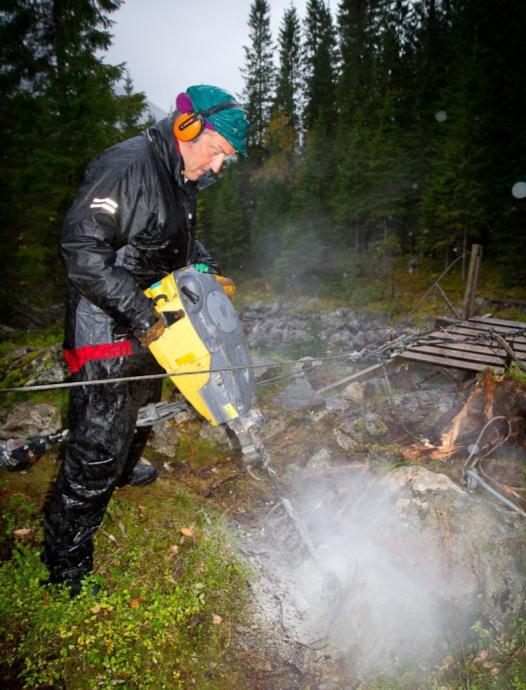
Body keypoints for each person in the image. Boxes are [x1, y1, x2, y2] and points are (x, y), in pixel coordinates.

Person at [42, 84, 250, 595]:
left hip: (147, 320)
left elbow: (171, 236)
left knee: (140, 412)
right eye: (218, 152)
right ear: (187, 127)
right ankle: (64, 568)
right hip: (104, 324)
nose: (218, 167)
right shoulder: (128, 165)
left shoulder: (180, 175)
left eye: (228, 158)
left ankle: (120, 470)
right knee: (97, 439)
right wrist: (138, 313)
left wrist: (204, 266)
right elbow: (81, 250)